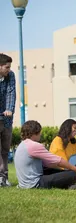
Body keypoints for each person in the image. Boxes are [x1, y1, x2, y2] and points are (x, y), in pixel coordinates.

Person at [14, 120, 76, 189]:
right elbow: (58, 160)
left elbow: (48, 164)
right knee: (72, 174)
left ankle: (74, 181)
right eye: (40, 132)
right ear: (35, 132)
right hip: (34, 183)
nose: (40, 134)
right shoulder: (34, 145)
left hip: (24, 184)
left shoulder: (22, 145)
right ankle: (75, 184)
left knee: (59, 171)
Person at [0, 54, 16, 187]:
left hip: (6, 119)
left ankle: (4, 178)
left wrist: (9, 109)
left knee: (5, 150)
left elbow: (11, 92)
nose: (9, 69)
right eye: (7, 67)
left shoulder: (10, 76)